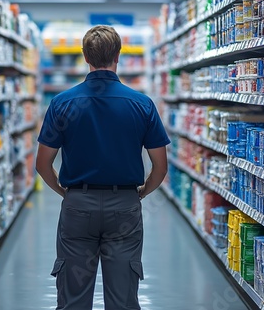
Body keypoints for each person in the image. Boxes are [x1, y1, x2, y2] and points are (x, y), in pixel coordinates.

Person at [35, 25, 170, 310]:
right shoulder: (142, 104)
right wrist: (141, 192)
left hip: (77, 204)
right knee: (123, 298)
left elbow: (43, 163)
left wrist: (65, 192)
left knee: (72, 296)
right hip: (124, 205)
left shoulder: (61, 103)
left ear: (85, 56)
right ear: (118, 55)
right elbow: (160, 167)